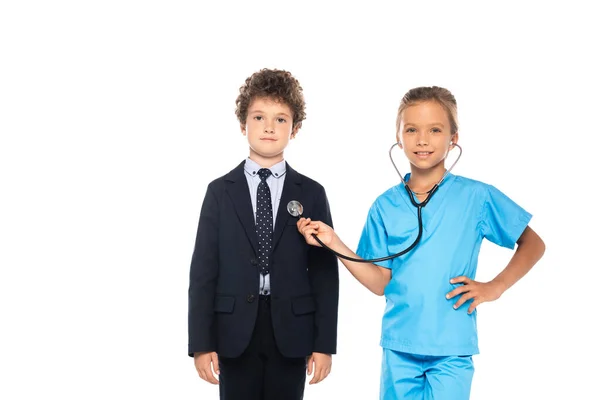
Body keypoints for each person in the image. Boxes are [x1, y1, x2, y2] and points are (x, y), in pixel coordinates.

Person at [297, 86, 545, 400]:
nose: (422, 140)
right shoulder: (385, 206)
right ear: (399, 138)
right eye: (412, 129)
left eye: (435, 130)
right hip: (400, 345)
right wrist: (334, 242)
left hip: (452, 346)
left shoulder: (477, 197)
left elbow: (533, 243)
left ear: (453, 138)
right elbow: (379, 283)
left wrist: (495, 286)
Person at [188, 68, 339, 400]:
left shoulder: (312, 192)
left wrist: (324, 344)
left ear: (295, 129)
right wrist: (202, 343)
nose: (269, 127)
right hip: (233, 331)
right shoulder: (219, 192)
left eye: (281, 119)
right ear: (243, 124)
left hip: (292, 331)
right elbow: (203, 272)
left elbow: (325, 275)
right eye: (259, 117)